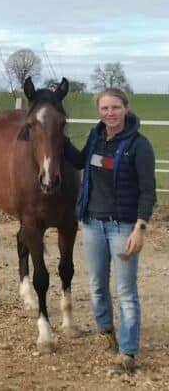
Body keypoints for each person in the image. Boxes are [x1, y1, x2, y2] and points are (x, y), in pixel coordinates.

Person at [65, 87, 156, 373]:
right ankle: (106, 330)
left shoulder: (139, 145)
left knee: (126, 290)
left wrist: (140, 228)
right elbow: (80, 162)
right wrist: (57, 134)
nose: (110, 113)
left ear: (125, 108)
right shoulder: (95, 137)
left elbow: (148, 191)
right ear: (99, 111)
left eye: (115, 107)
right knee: (96, 284)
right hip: (92, 223)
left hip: (123, 227)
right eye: (104, 108)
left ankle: (128, 352)